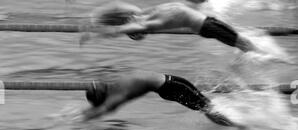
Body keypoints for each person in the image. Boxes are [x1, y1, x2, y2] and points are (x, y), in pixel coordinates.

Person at [80, 1, 258, 54]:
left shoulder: (147, 14)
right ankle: (272, 59)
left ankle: (268, 57)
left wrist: (96, 29)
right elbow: (121, 28)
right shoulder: (149, 22)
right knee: (247, 46)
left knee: (247, 45)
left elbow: (121, 13)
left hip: (208, 22)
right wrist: (96, 34)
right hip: (207, 26)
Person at [82, 71, 238, 127]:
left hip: (171, 85)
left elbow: (106, 108)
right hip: (171, 86)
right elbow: (108, 107)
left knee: (207, 108)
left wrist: (80, 116)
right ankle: (235, 125)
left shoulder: (117, 92)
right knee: (207, 108)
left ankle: (235, 124)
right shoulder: (117, 87)